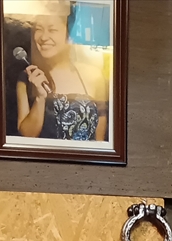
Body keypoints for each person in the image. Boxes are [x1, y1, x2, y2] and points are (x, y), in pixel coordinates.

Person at [12, 1, 107, 141]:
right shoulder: (27, 78)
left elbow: (100, 140)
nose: (43, 37)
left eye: (52, 30)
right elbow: (28, 135)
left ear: (69, 34)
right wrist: (40, 98)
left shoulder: (93, 75)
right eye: (38, 29)